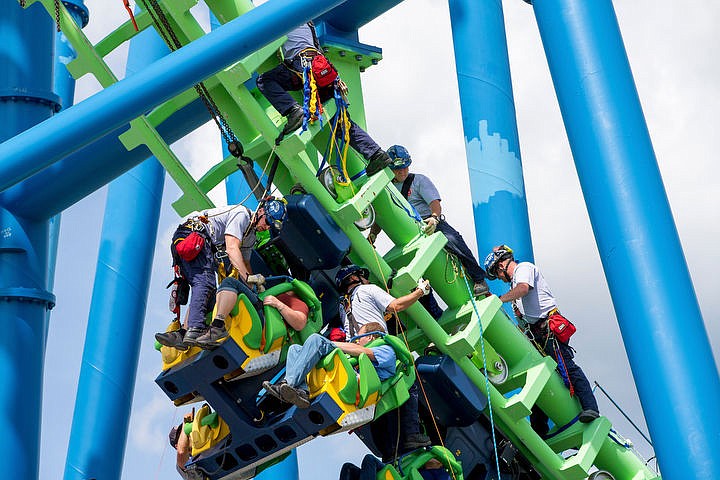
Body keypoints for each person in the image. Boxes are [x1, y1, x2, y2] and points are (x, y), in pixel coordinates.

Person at [483, 245, 600, 435]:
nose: (499, 277)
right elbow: (523, 319)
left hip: (548, 328)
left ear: (503, 263)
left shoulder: (524, 269)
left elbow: (524, 289)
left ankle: (591, 407)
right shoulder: (514, 287)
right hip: (536, 334)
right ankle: (539, 430)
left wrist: (499, 299)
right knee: (538, 377)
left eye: (497, 272)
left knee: (567, 367)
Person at [256, 22, 392, 176]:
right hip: (322, 69)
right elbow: (317, 48)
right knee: (341, 123)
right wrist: (336, 78)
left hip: (302, 65)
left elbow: (264, 36)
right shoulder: (309, 23)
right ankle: (377, 154)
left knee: (264, 81)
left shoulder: (281, 16)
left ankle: (293, 110)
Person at [155, 199, 287, 349]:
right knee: (205, 283)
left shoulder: (250, 237)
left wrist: (254, 286)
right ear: (261, 211)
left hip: (192, 241)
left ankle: (183, 333)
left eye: (270, 225)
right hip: (193, 236)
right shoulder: (242, 214)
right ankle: (196, 329)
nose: (266, 227)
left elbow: (245, 263)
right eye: (267, 221)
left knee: (204, 288)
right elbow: (232, 249)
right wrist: (248, 277)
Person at [335, 265, 432, 455]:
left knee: (375, 402)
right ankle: (411, 434)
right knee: (407, 377)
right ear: (356, 278)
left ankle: (388, 450)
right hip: (376, 349)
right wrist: (421, 291)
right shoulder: (367, 289)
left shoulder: (343, 305)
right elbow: (396, 306)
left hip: (356, 357)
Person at [369, 145, 489, 297]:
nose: (403, 171)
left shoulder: (418, 181)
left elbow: (435, 204)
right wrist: (373, 235)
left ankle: (479, 279)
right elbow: (383, 215)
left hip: (430, 224)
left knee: (454, 240)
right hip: (409, 233)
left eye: (405, 167)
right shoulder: (387, 189)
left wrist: (434, 218)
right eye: (398, 169)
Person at [263, 322, 394, 409]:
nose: (358, 341)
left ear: (370, 337)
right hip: (345, 378)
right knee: (295, 349)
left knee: (316, 339)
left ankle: (287, 384)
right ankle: (302, 391)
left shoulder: (387, 349)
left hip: (359, 388)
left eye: (359, 338)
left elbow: (365, 352)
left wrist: (328, 344)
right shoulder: (358, 353)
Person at [193, 276, 310, 349]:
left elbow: (299, 323)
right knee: (210, 295)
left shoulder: (295, 300)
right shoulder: (278, 294)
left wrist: (278, 304)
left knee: (230, 282)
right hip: (259, 314)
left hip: (263, 324)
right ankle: (193, 331)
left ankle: (217, 327)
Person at [169, 410, 194, 479]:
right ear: (177, 446)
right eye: (182, 434)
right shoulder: (183, 465)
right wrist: (185, 423)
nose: (188, 433)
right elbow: (181, 452)